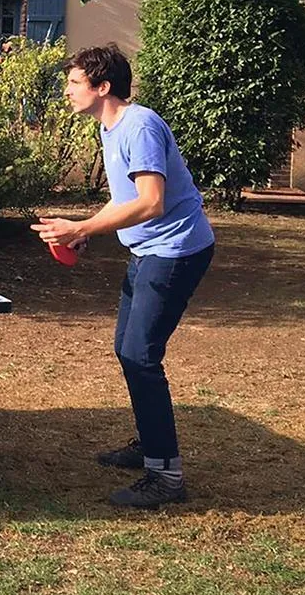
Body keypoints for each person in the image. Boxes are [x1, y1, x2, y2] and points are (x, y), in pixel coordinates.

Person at [32, 44, 215, 509]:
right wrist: (86, 231)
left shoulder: (140, 125)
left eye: (74, 83)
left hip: (176, 250)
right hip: (146, 250)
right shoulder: (108, 127)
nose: (68, 91)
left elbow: (153, 200)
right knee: (127, 349)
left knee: (140, 354)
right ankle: (150, 443)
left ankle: (166, 476)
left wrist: (83, 226)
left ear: (103, 86)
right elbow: (126, 198)